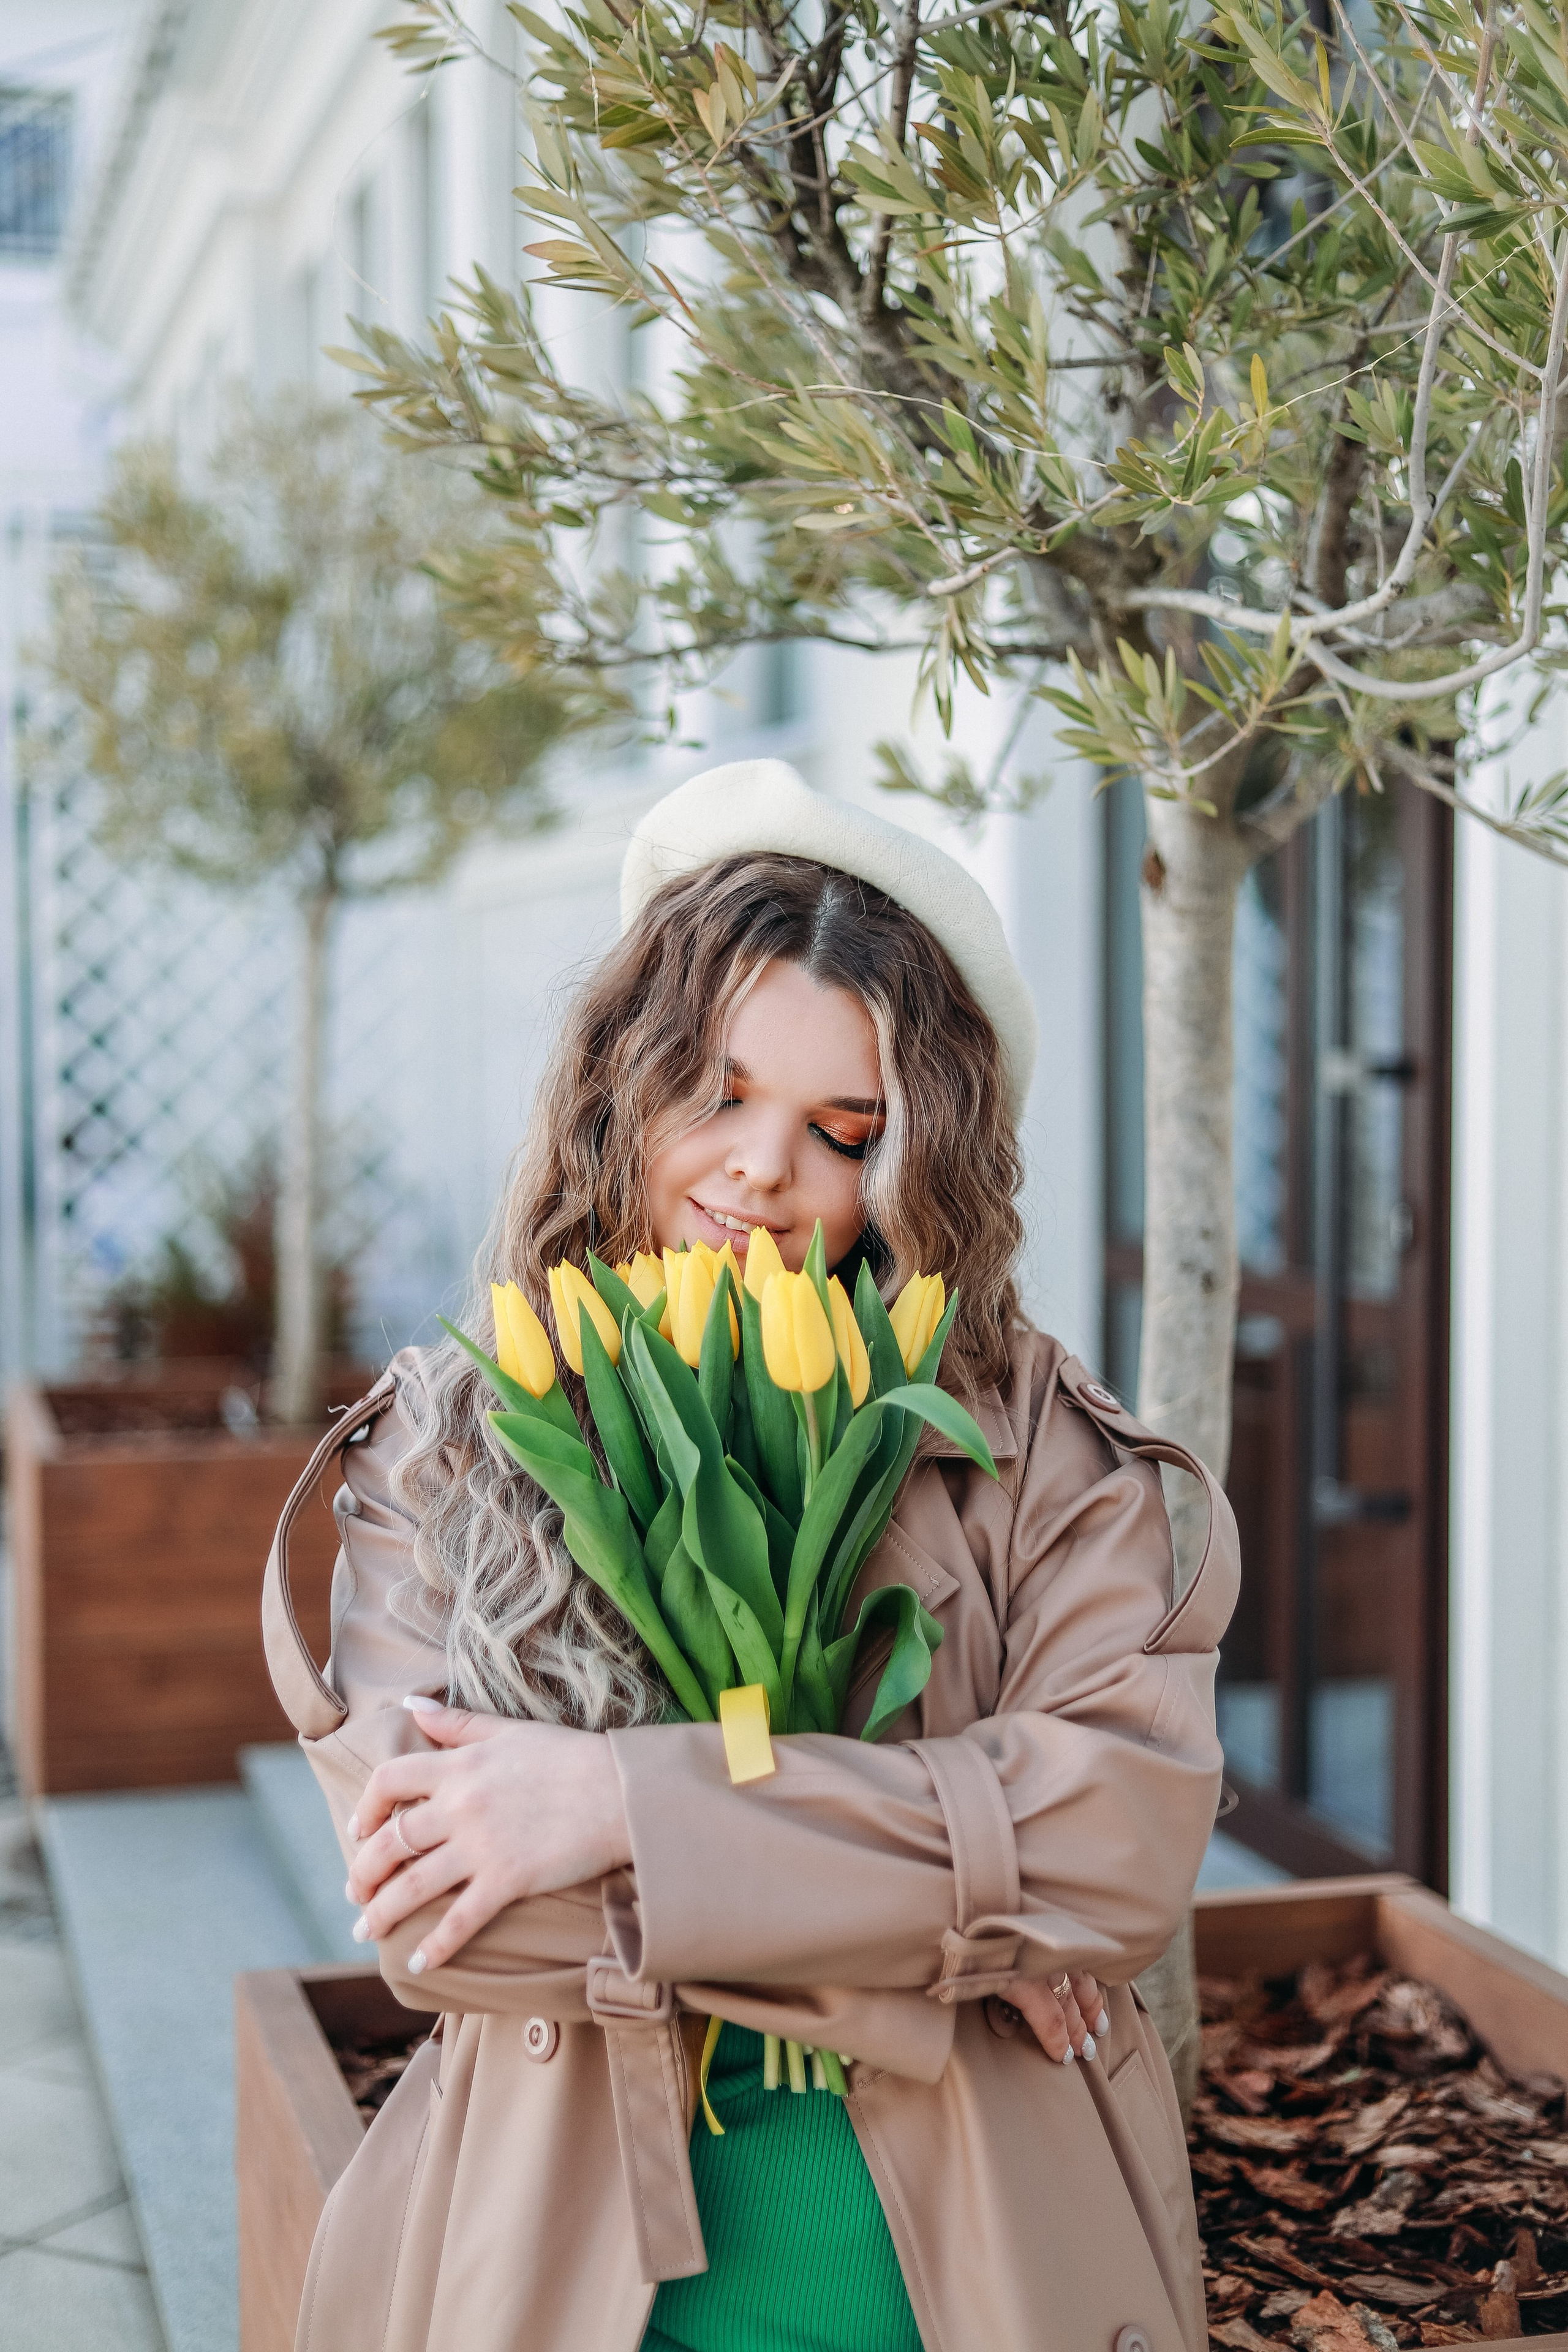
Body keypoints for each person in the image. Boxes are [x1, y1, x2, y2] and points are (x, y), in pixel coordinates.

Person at [262, 759, 1238, 2352]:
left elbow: (1116, 1849)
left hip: (969, 2277)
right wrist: (956, 1931)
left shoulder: (1028, 1441)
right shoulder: (454, 1436)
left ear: (918, 1157)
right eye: (715, 1091)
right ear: (620, 1079)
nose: (759, 1170)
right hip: (563, 2269)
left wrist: (605, 1804)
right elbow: (451, 1919)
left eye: (840, 1128)